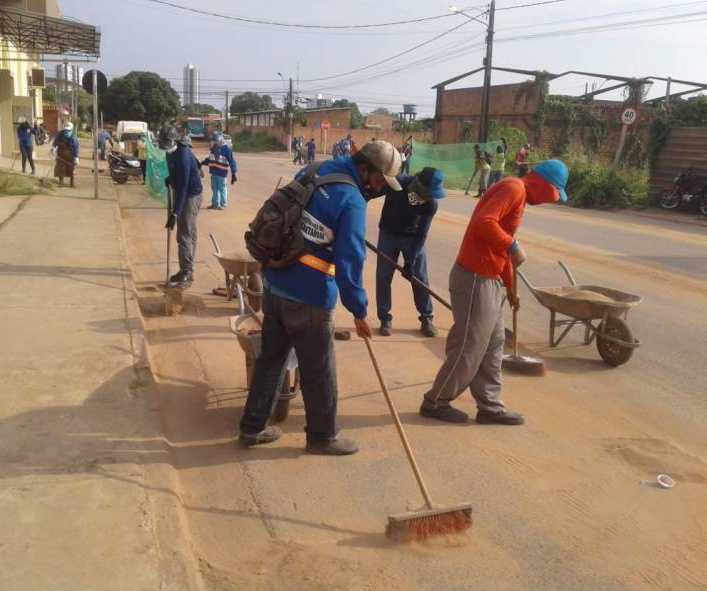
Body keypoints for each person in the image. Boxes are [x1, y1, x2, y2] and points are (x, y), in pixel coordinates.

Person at [239, 141, 403, 455]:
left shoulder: (317, 169)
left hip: (274, 284)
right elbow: (350, 262)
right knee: (319, 371)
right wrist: (359, 311)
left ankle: (252, 427)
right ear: (365, 169)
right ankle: (322, 436)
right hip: (309, 298)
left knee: (271, 361)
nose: (379, 188)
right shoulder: (352, 200)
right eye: (380, 181)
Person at [420, 160, 569, 426]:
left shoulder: (519, 196)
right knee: (470, 344)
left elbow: (499, 251)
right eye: (555, 194)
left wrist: (509, 286)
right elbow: (483, 224)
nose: (552, 200)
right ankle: (436, 401)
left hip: (490, 279)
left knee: (493, 345)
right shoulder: (514, 188)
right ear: (546, 185)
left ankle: (489, 406)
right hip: (475, 277)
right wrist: (513, 245)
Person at [376, 166, 445, 338]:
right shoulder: (397, 183)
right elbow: (372, 191)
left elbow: (422, 233)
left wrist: (410, 262)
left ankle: (426, 318)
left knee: (419, 278)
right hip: (388, 235)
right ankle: (385, 318)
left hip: (412, 239)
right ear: (418, 185)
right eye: (428, 192)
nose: (429, 197)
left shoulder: (430, 204)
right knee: (383, 277)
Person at [164, 134, 203, 288]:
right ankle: (185, 269)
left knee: (184, 235)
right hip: (183, 191)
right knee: (189, 233)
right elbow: (175, 173)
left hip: (191, 196)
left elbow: (183, 189)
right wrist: (171, 178)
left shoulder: (183, 156)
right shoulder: (170, 152)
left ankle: (187, 271)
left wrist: (174, 213)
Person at [202, 132, 238, 210]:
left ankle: (223, 204)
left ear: (218, 139)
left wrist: (233, 173)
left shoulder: (226, 149)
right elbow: (210, 158)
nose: (212, 142)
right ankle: (214, 204)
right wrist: (203, 163)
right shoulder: (214, 148)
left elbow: (231, 161)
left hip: (222, 173)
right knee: (214, 189)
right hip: (213, 172)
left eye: (214, 140)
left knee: (222, 189)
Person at [51, 121, 79, 187]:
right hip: (60, 154)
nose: (67, 131)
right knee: (60, 168)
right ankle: (61, 182)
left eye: (69, 130)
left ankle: (72, 183)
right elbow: (55, 141)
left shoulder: (73, 138)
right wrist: (53, 148)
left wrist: (76, 158)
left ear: (71, 130)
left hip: (70, 155)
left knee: (71, 169)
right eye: (66, 130)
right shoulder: (60, 134)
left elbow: (76, 148)